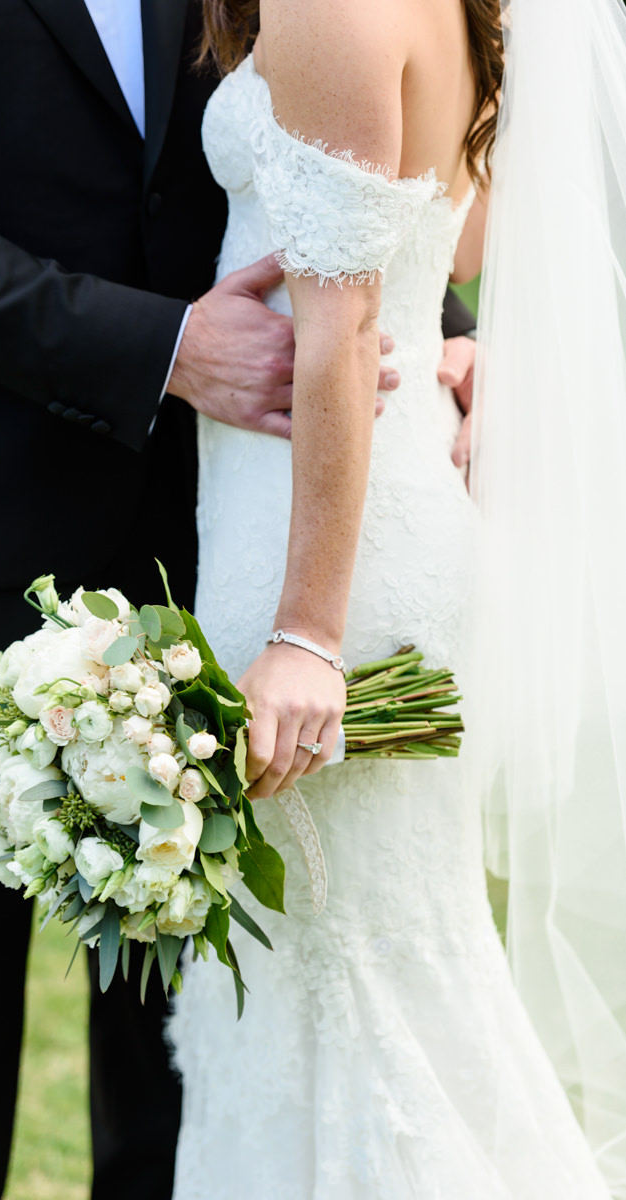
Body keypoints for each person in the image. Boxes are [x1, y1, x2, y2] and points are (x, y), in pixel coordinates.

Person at [0, 2, 477, 1198]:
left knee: (187, 997)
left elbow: (325, 146)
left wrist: (444, 324)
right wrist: (158, 347)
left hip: (211, 512)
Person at [166, 1, 617, 1195]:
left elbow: (345, 323)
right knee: (364, 957)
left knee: (346, 967)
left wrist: (305, 633)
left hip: (325, 557)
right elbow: (459, 247)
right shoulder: (460, 6)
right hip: (352, 508)